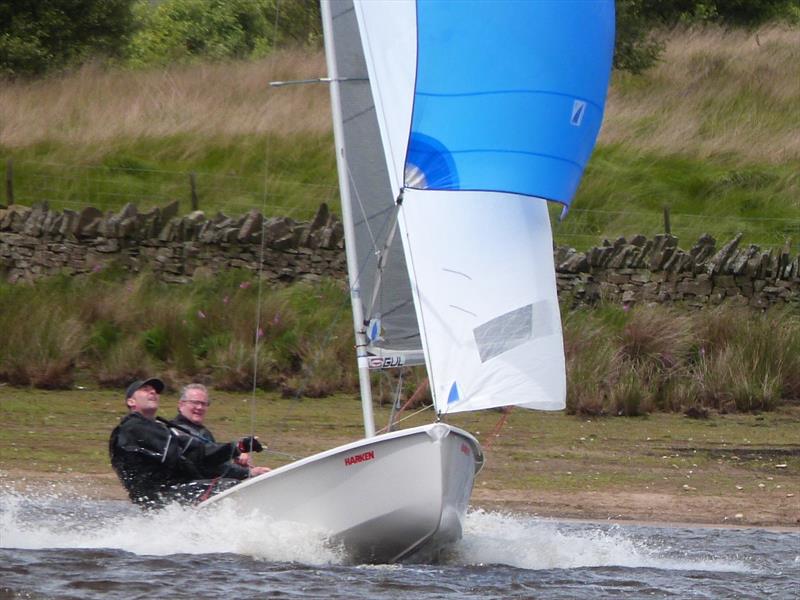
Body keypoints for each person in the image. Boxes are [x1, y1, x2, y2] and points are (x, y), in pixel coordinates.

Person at [108, 377, 264, 509]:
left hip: (162, 497)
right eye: (145, 389)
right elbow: (193, 454)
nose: (153, 392)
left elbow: (197, 456)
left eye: (155, 391)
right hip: (160, 497)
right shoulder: (132, 427)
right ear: (131, 401)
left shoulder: (156, 428)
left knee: (223, 484)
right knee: (227, 488)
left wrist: (238, 447)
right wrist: (242, 462)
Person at [169, 383, 269, 479]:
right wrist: (239, 447)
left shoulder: (204, 432)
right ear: (181, 404)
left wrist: (241, 466)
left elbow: (216, 465)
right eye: (195, 402)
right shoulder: (174, 431)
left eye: (204, 404)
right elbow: (205, 458)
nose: (199, 407)